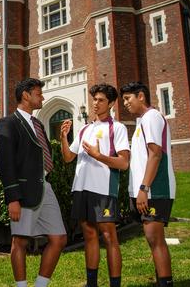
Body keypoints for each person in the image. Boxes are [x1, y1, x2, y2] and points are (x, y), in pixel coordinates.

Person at [0, 78, 67, 287]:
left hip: (45, 186)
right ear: (25, 95)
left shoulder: (38, 124)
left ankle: (40, 285)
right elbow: (5, 162)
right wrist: (13, 198)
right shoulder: (8, 122)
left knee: (59, 238)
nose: (42, 97)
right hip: (24, 191)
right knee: (20, 240)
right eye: (38, 93)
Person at [60, 84, 129, 287]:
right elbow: (67, 158)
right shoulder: (84, 129)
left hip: (103, 190)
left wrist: (99, 156)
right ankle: (92, 284)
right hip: (81, 188)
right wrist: (64, 137)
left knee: (109, 237)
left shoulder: (117, 128)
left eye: (100, 100)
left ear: (111, 103)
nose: (96, 103)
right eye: (94, 99)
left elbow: (124, 163)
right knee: (89, 235)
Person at [120, 82, 176, 287]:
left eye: (128, 98)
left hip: (155, 188)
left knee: (155, 239)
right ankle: (161, 281)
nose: (125, 103)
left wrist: (144, 189)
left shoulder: (151, 117)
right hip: (145, 189)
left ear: (141, 96)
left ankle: (166, 283)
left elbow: (155, 154)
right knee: (152, 240)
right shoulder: (142, 121)